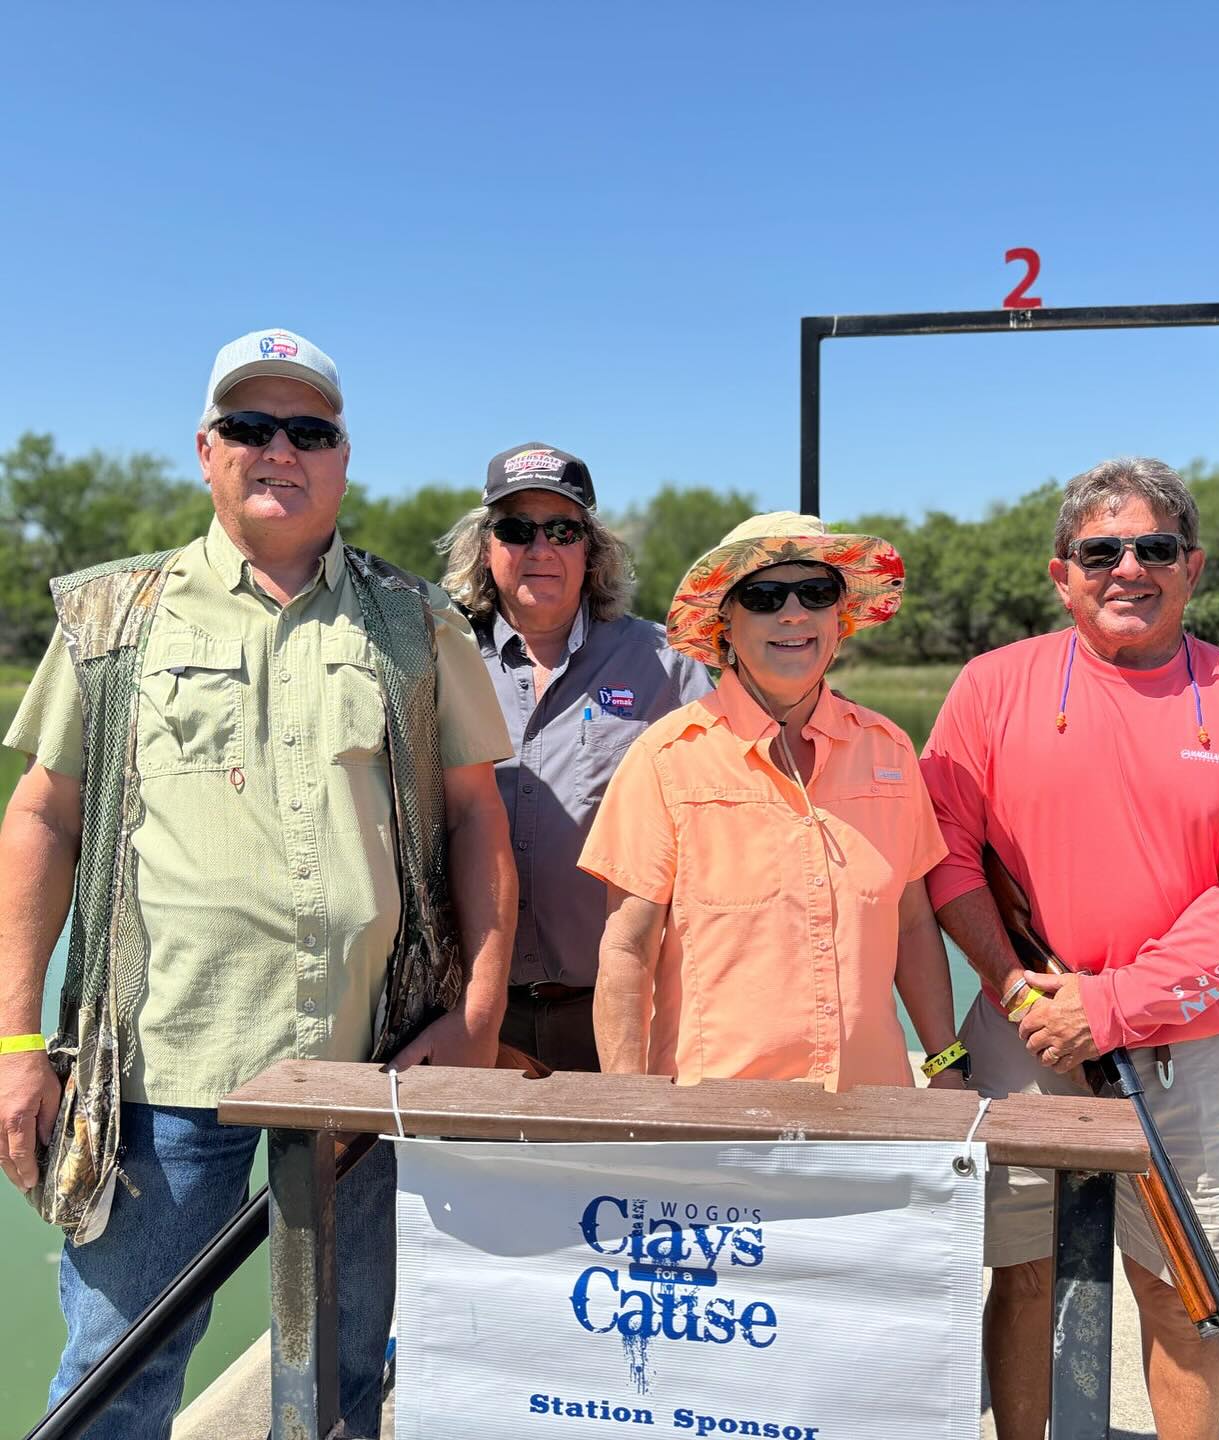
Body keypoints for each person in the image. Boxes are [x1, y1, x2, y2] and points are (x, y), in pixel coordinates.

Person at [0, 328, 518, 1439]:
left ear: (342, 458)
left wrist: (474, 1018)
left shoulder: (419, 622)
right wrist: (12, 1046)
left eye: (308, 430)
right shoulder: (116, 617)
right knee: (115, 1377)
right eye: (249, 426)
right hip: (155, 1077)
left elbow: (478, 819)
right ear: (205, 451)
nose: (278, 449)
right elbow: (39, 817)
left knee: (339, 1379)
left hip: (365, 1075)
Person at [919, 457, 1219, 1440]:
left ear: (1191, 568)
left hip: (1188, 1055)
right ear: (1063, 574)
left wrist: (1110, 1006)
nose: (1127, 568)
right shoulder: (988, 688)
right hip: (1022, 1038)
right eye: (1100, 550)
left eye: (1152, 547)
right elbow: (941, 855)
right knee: (1016, 1278)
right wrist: (1018, 991)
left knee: (1183, 1296)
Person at [580, 511, 966, 1093]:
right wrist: (628, 1105)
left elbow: (912, 925)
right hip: (713, 1128)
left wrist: (945, 1066)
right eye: (763, 596)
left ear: (841, 617)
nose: (793, 613)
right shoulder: (662, 757)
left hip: (873, 1111)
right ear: (725, 625)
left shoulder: (890, 750)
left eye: (815, 592)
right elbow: (628, 948)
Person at [440, 444, 711, 1072]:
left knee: (618, 1175)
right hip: (466, 1017)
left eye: (562, 530)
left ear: (591, 549)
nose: (540, 550)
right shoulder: (439, 657)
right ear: (486, 548)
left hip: (620, 1014)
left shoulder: (667, 664)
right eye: (516, 530)